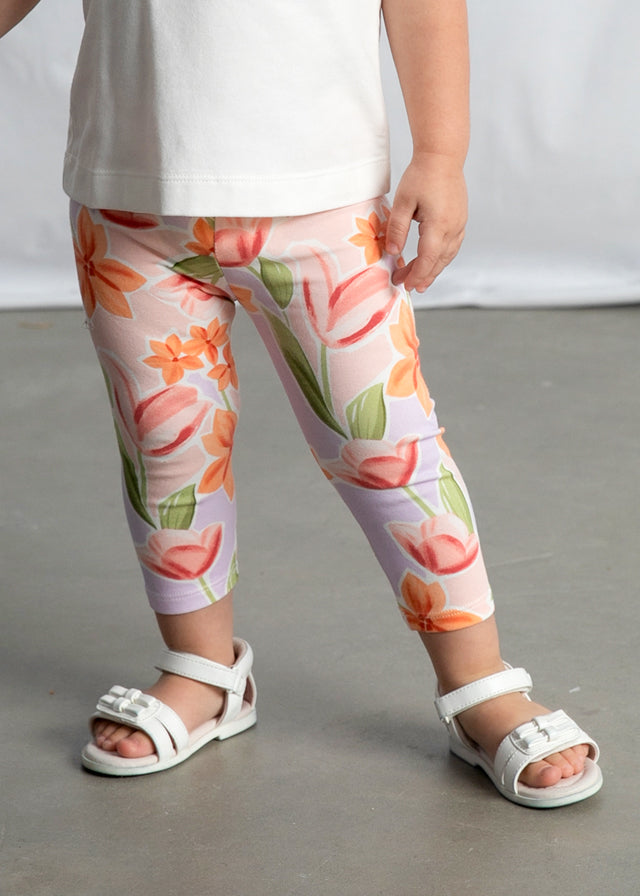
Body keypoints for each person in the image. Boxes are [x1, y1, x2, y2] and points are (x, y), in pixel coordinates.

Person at [1, 0, 601, 807]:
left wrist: (441, 154)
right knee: (165, 444)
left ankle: (477, 681)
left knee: (383, 445)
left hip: (325, 202)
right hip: (128, 202)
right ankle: (205, 669)